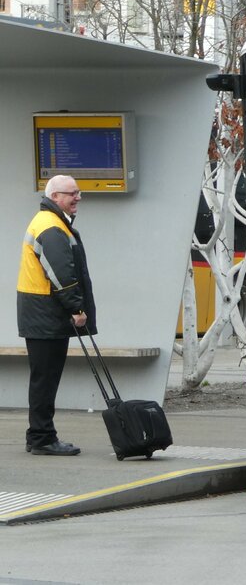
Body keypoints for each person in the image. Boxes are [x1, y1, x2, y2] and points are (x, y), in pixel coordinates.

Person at [16, 175, 97, 456]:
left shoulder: (51, 223)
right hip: (45, 315)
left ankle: (41, 435)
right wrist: (76, 309)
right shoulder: (50, 226)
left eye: (78, 193)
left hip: (41, 314)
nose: (77, 198)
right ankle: (41, 438)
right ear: (54, 196)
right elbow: (61, 274)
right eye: (71, 193)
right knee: (45, 379)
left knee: (44, 377)